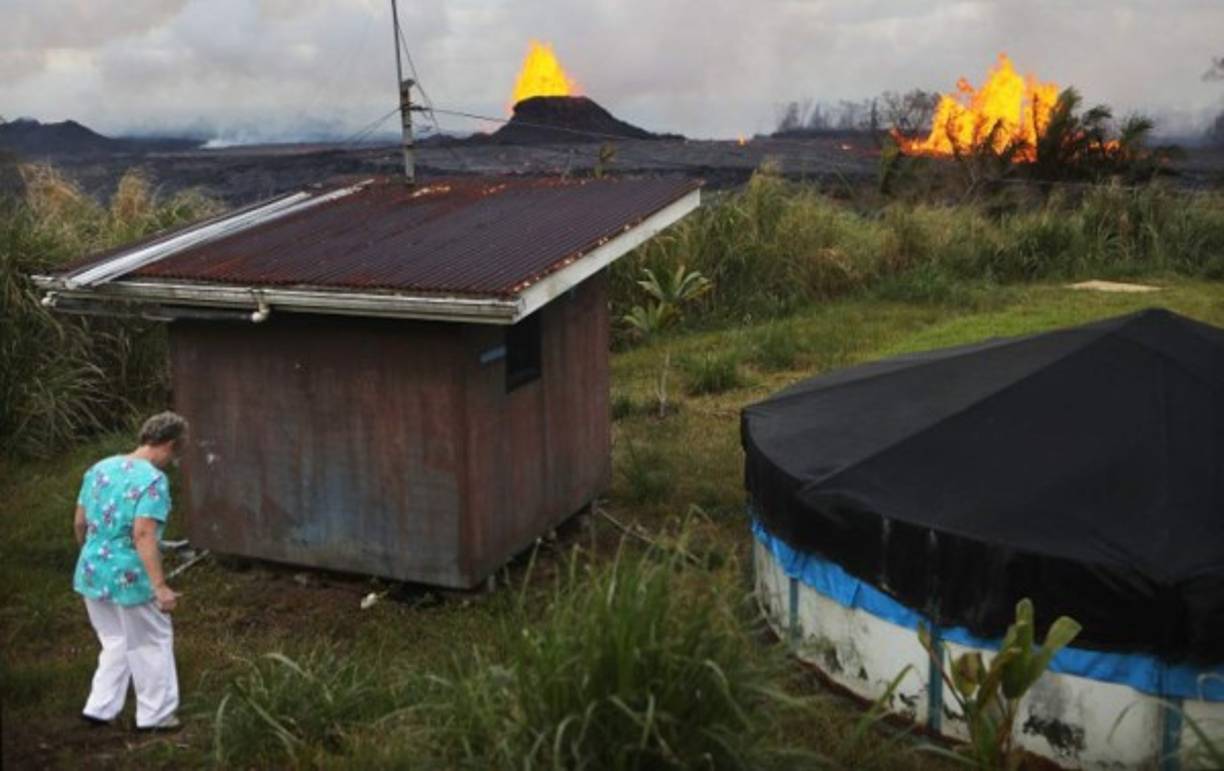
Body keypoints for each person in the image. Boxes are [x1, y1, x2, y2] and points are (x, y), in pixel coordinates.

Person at [73, 411, 187, 731]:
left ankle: (99, 708)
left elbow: (80, 522)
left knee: (115, 639)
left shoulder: (98, 469)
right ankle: (157, 716)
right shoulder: (152, 479)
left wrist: (90, 554)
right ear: (169, 444)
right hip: (130, 575)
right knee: (151, 640)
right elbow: (143, 533)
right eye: (176, 453)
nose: (172, 461)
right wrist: (160, 586)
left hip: (92, 568)